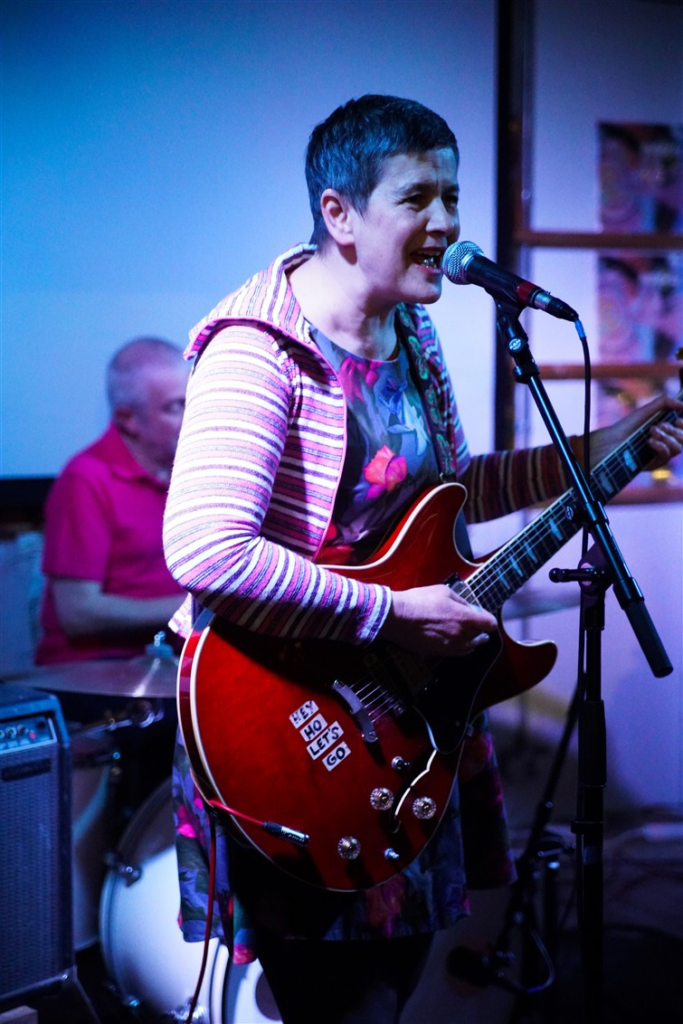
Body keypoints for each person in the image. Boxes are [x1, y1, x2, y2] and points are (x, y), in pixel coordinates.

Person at [163, 96, 683, 1024]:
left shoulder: (412, 334)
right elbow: (205, 549)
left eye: (452, 196)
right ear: (339, 214)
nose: (445, 222)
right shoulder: (257, 352)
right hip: (289, 727)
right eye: (416, 198)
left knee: (389, 995)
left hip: (403, 719)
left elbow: (455, 490)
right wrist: (395, 614)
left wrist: (608, 443)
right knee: (341, 1006)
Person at [36, 335, 189, 813]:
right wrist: (186, 609)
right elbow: (78, 612)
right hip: (92, 679)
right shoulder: (87, 478)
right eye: (175, 407)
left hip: (165, 670)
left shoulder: (188, 475)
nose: (192, 417)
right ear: (128, 418)